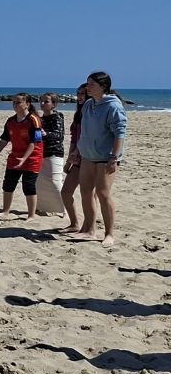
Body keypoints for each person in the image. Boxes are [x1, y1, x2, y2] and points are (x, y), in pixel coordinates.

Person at [72, 71, 128, 245]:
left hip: (106, 156)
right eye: (87, 83)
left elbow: (120, 133)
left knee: (103, 194)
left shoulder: (113, 106)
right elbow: (85, 132)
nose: (87, 87)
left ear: (103, 86)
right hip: (87, 155)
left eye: (92, 84)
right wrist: (77, 150)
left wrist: (114, 157)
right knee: (86, 192)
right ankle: (90, 230)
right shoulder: (88, 104)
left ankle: (109, 234)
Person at [0, 93, 44, 219]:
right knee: (8, 184)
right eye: (14, 102)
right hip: (15, 157)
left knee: (28, 186)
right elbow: (4, 140)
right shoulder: (10, 121)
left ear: (27, 104)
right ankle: (5, 211)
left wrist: (24, 158)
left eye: (18, 102)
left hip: (32, 158)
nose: (15, 105)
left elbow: (34, 142)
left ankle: (31, 216)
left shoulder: (34, 120)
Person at [59, 84, 90, 233]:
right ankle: (74, 223)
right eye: (78, 93)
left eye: (83, 93)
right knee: (65, 192)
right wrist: (68, 161)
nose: (79, 96)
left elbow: (87, 138)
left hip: (90, 158)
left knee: (89, 195)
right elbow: (74, 139)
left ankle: (89, 227)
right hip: (77, 159)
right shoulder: (79, 114)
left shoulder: (92, 114)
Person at [36, 92, 67, 216]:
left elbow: (59, 136)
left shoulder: (57, 117)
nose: (42, 103)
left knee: (55, 181)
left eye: (46, 101)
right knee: (40, 182)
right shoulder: (40, 119)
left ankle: (66, 209)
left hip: (54, 152)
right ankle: (41, 207)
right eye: (41, 101)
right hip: (41, 153)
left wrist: (45, 133)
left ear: (54, 104)